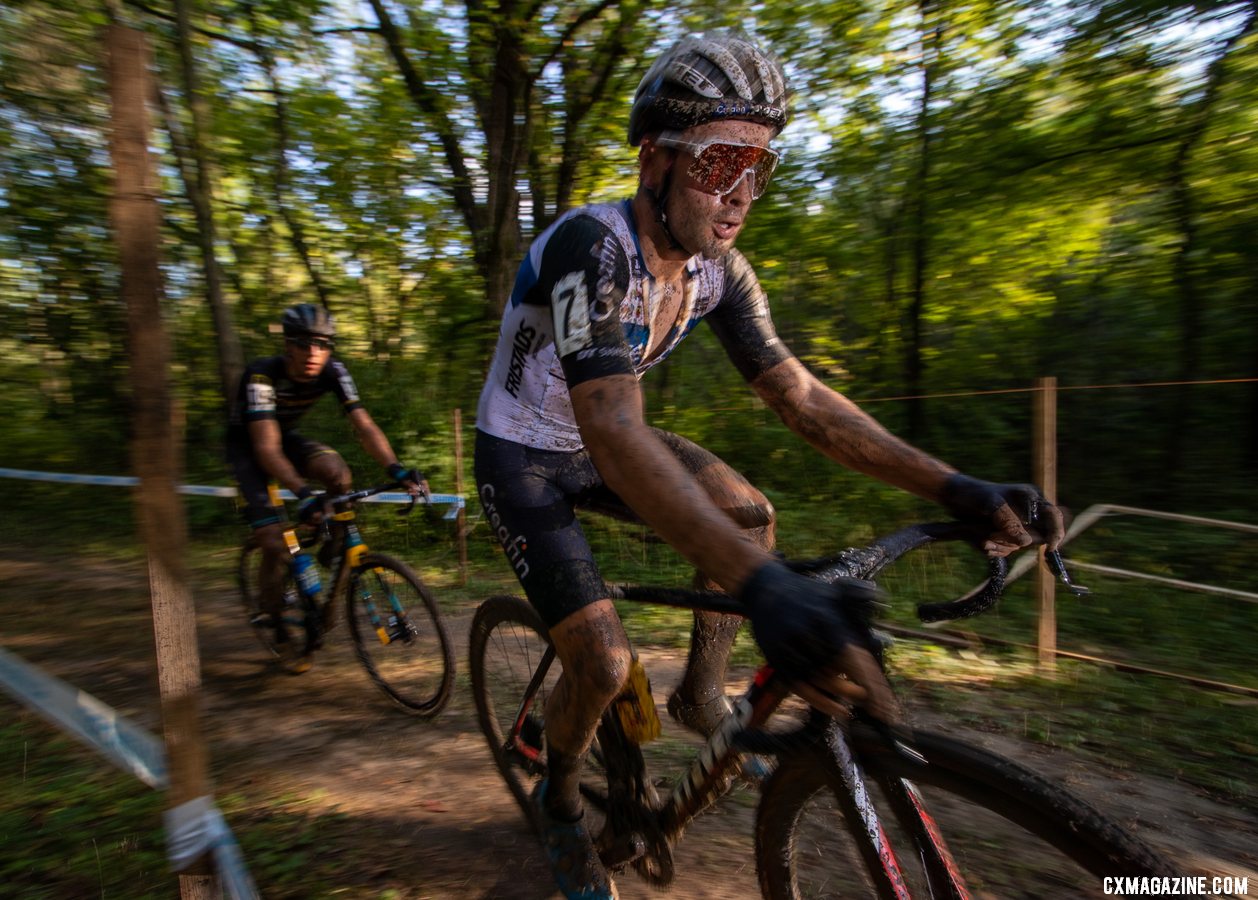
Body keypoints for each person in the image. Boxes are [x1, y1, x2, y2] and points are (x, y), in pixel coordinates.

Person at [473, 31, 1064, 900]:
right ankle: (561, 801)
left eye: (762, 167)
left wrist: (959, 488)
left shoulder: (717, 273)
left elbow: (806, 401)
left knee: (749, 514)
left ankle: (699, 698)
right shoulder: (589, 249)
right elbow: (612, 429)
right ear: (657, 161)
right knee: (599, 665)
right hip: (525, 453)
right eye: (722, 165)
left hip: (601, 441)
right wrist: (764, 589)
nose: (743, 195)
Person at [227, 303, 428, 657]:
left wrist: (396, 469)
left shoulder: (334, 371)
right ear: (287, 344)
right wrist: (303, 493)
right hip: (250, 448)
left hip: (284, 437)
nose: (313, 353)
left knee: (338, 473)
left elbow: (363, 426)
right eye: (304, 344)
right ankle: (271, 614)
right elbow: (266, 448)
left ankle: (334, 540)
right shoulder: (261, 376)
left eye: (322, 344)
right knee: (274, 541)